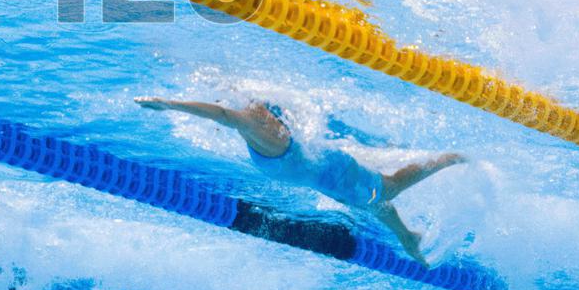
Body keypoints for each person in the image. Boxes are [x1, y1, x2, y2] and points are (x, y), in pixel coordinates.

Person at [134, 96, 465, 265]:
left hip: (336, 177)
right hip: (328, 174)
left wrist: (169, 105)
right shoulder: (260, 123)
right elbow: (224, 113)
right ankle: (411, 235)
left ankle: (449, 160)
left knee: (387, 191)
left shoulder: (258, 126)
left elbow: (222, 115)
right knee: (379, 200)